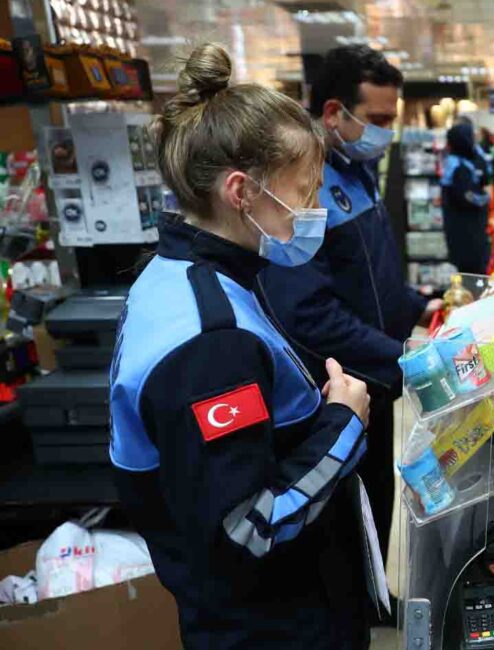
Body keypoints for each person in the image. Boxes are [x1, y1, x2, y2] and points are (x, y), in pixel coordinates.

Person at [109, 43, 378, 648]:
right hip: (272, 627)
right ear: (241, 192)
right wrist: (343, 421)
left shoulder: (176, 275)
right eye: (304, 193)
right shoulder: (211, 344)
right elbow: (248, 527)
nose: (314, 212)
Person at [259, 45, 441, 559]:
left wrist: (419, 306)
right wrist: (399, 358)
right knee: (346, 519)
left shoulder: (358, 170)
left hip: (376, 382)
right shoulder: (302, 188)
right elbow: (306, 311)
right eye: (378, 119)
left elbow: (372, 273)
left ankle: (377, 598)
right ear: (334, 113)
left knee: (379, 502)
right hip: (335, 391)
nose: (388, 131)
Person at [442, 121, 491, 274]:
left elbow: (485, 176)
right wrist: (485, 198)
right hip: (466, 234)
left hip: (468, 230)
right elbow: (467, 197)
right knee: (472, 274)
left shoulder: (464, 161)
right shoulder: (458, 167)